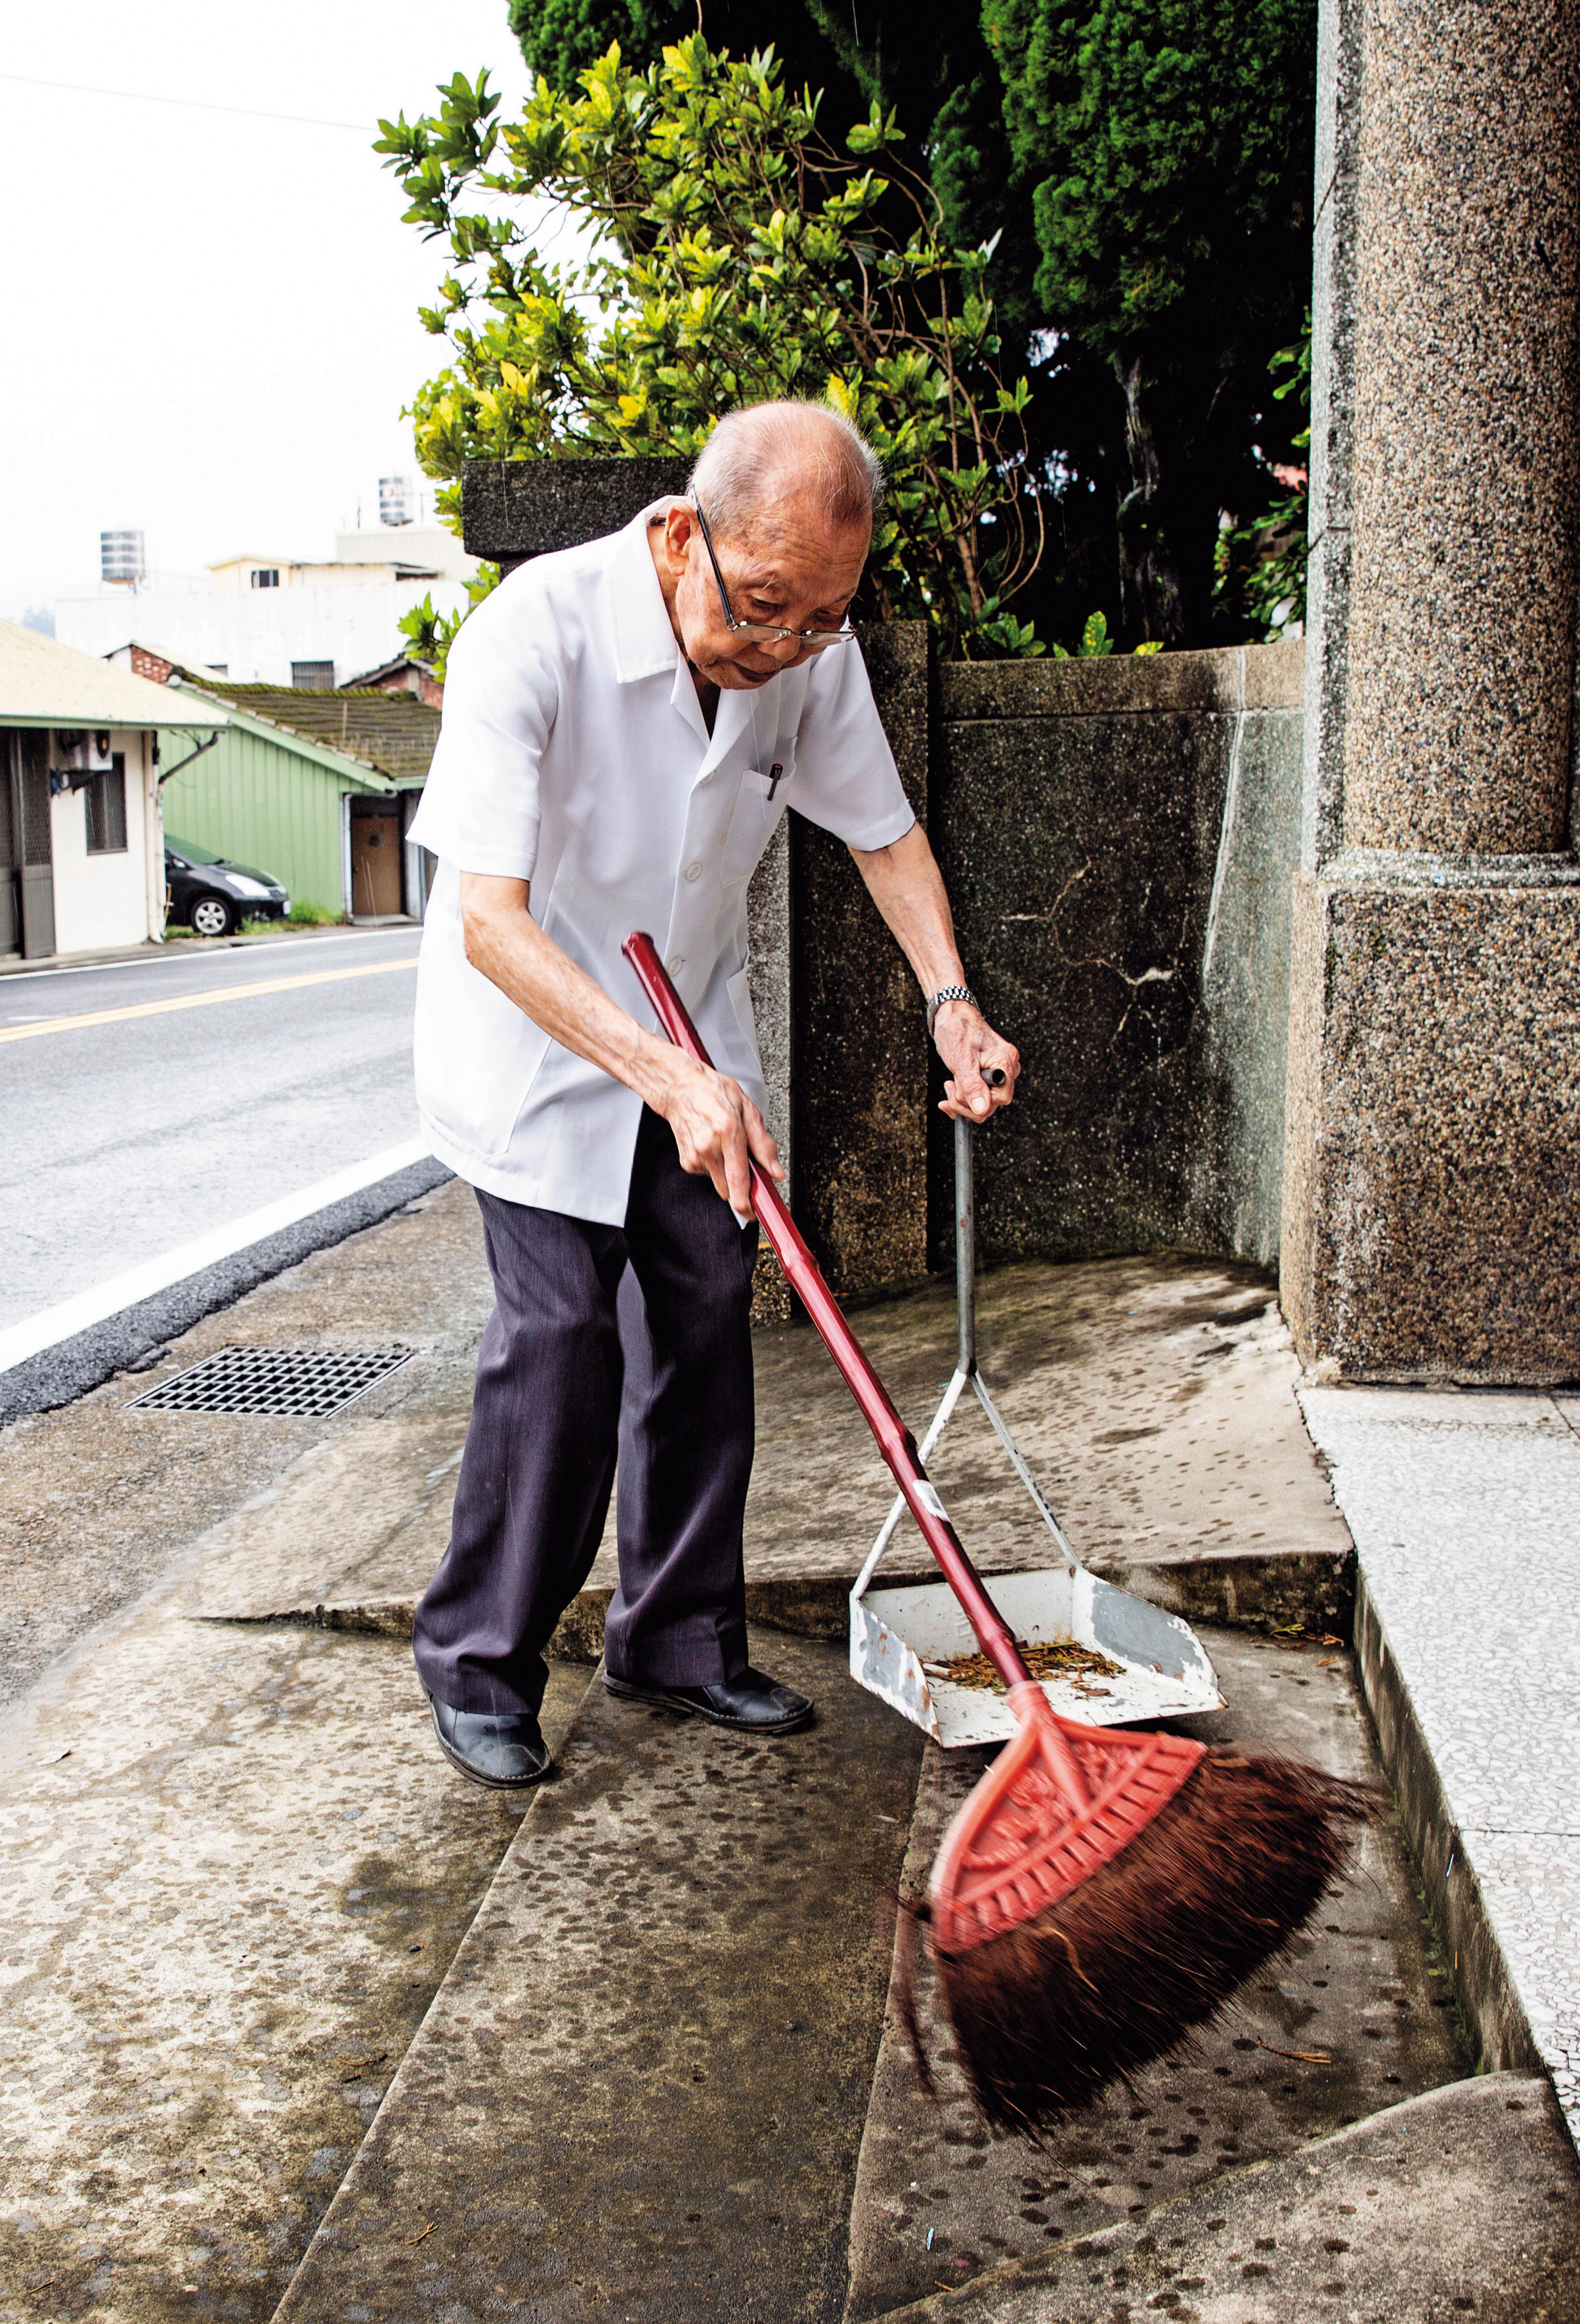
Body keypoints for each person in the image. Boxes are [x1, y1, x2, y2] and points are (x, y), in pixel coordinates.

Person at [403, 400, 1023, 1790]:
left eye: (823, 618)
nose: (784, 647)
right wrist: (665, 1077)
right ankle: (480, 1661)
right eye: (763, 609)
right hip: (536, 1036)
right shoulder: (533, 632)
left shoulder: (806, 646)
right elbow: (489, 921)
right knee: (563, 1334)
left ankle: (676, 1637)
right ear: (682, 535)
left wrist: (952, 1003)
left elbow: (884, 835)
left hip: (690, 1022)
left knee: (701, 1305)